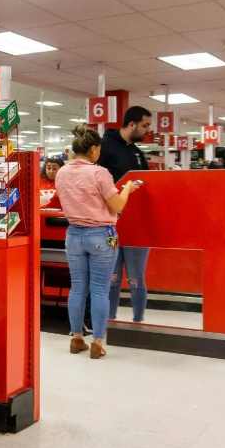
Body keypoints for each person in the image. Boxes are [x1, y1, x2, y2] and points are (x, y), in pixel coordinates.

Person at [54, 125, 140, 359]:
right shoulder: (99, 172)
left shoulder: (61, 172)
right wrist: (128, 189)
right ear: (93, 148)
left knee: (78, 287)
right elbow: (118, 206)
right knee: (100, 290)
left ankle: (76, 339)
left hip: (73, 235)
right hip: (101, 234)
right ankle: (97, 343)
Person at [98, 106, 152, 324]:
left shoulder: (137, 153)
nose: (147, 130)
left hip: (137, 225)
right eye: (145, 125)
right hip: (110, 222)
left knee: (136, 278)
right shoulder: (106, 147)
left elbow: (148, 184)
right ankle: (109, 322)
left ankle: (138, 322)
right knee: (112, 278)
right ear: (132, 124)